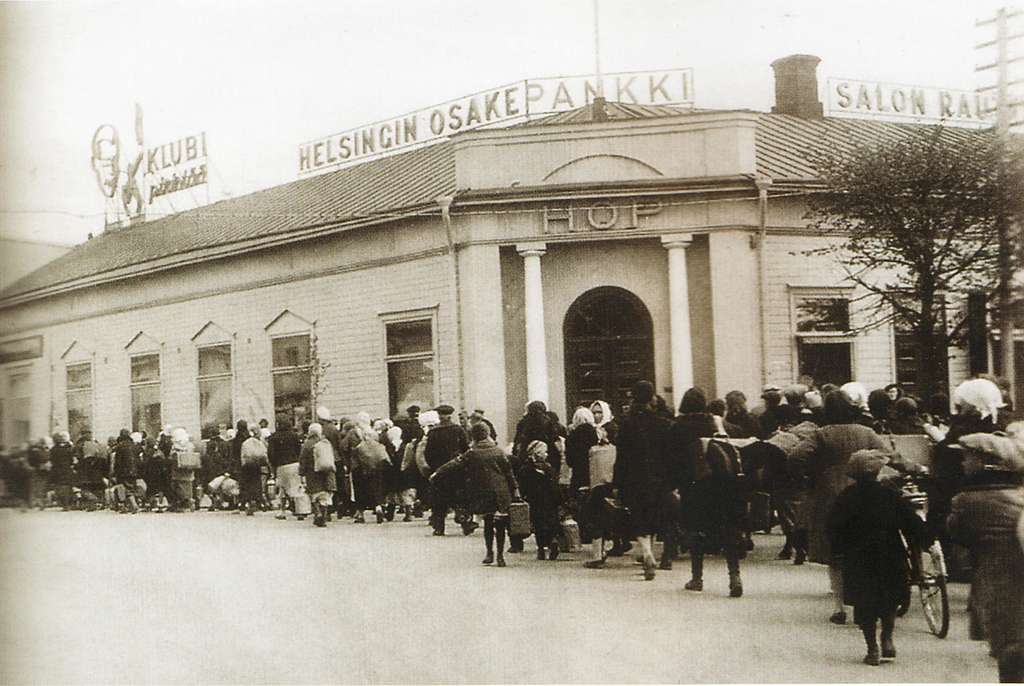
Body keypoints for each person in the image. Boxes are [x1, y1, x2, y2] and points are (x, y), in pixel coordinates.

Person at [789, 390, 888, 624]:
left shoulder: (821, 434)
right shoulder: (867, 432)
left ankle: (839, 607)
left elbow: (796, 456)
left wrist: (809, 476)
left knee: (835, 551)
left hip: (830, 495)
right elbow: (887, 455)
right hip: (865, 492)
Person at [827, 449, 929, 666]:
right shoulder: (889, 494)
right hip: (889, 552)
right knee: (890, 597)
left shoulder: (846, 497)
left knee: (865, 603)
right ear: (877, 471)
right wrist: (926, 538)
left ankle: (872, 646)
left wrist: (837, 550)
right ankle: (888, 637)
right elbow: (909, 521)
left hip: (858, 556)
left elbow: (834, 526)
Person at [947, 432, 1024, 683]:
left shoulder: (968, 501)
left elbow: (956, 534)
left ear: (984, 462)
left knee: (1011, 654)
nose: (962, 464)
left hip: (1003, 586)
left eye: (967, 458)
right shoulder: (1018, 494)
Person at [432, 422, 519, 567]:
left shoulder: (472, 453)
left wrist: (437, 473)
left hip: (483, 492)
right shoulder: (498, 451)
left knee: (488, 523)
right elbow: (508, 473)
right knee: (501, 524)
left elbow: (454, 464)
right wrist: (515, 490)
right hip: (501, 493)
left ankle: (489, 553)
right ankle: (500, 556)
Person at [613, 380, 673, 580]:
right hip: (658, 479)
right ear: (652, 398)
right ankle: (651, 552)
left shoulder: (627, 425)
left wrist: (617, 482)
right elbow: (668, 455)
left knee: (638, 516)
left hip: (634, 479)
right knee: (654, 514)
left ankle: (647, 552)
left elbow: (621, 457)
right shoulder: (664, 424)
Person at [668, 388, 718, 571]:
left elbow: (671, 455)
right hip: (710, 475)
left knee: (691, 519)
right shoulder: (711, 423)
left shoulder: (677, 425)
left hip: (687, 477)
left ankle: (696, 574)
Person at [424, 404, 470, 535]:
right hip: (456, 469)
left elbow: (428, 453)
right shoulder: (458, 430)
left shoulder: (433, 432)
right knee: (458, 497)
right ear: (451, 415)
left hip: (439, 470)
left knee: (439, 499)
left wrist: (433, 467)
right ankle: (465, 523)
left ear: (440, 416)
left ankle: (439, 527)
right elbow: (466, 449)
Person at [517, 440, 562, 560]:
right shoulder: (548, 468)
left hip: (535, 500)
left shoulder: (526, 469)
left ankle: (541, 548)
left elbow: (523, 486)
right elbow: (554, 485)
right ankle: (552, 542)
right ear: (538, 453)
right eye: (545, 452)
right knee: (551, 522)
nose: (546, 454)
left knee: (539, 524)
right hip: (549, 500)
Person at [299, 422, 338, 527]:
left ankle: (318, 513)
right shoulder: (325, 442)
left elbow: (303, 460)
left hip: (312, 473)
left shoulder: (307, 444)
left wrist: (301, 473)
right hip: (326, 472)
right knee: (325, 495)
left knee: (314, 495)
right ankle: (324, 516)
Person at [268, 417, 303, 519]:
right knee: (296, 487)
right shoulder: (294, 436)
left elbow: (271, 454)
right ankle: (300, 511)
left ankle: (282, 511)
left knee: (282, 488)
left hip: (281, 465)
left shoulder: (274, 437)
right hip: (294, 464)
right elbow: (299, 449)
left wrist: (274, 465)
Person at [565, 406, 600, 493]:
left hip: (578, 474)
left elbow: (570, 461)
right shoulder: (598, 433)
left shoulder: (571, 436)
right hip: (595, 474)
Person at [110, 429, 140, 513]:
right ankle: (131, 505)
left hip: (123, 471)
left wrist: (115, 472)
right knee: (131, 487)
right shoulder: (134, 445)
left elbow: (118, 461)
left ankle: (132, 505)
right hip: (134, 470)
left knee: (124, 488)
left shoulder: (120, 446)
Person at [168, 428, 198, 511]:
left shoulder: (175, 446)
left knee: (179, 488)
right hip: (189, 470)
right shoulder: (190, 445)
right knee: (189, 488)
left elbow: (171, 457)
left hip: (178, 471)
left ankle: (182, 504)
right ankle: (191, 502)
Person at [48, 431, 77, 510]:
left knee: (59, 486)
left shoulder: (53, 449)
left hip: (57, 470)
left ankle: (64, 504)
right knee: (68, 486)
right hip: (67, 469)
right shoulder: (69, 448)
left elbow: (51, 459)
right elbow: (72, 459)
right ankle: (68, 504)